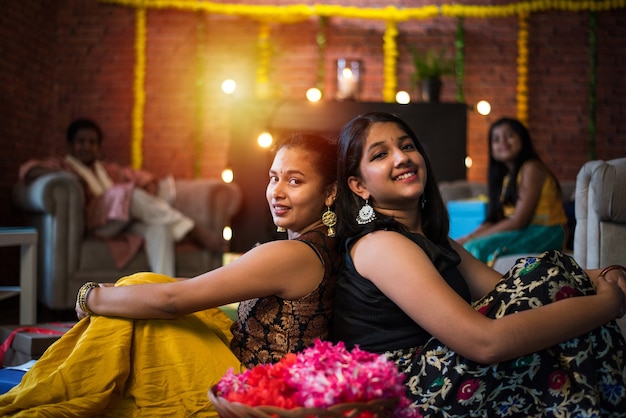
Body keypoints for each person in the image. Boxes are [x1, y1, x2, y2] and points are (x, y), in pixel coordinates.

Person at [1, 132, 341, 416]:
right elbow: (194, 286)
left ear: (330, 192)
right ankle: (73, 384)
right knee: (140, 290)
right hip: (249, 364)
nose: (277, 191)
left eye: (294, 181)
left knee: (138, 296)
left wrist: (91, 296)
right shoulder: (313, 247)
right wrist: (115, 295)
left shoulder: (292, 254)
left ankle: (64, 387)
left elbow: (172, 301)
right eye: (273, 177)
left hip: (250, 391)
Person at [332, 112, 626, 416]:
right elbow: (484, 343)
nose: (401, 158)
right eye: (381, 154)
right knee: (549, 299)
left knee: (540, 281)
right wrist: (606, 303)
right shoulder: (381, 245)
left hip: (444, 371)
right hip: (405, 391)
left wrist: (603, 273)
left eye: (407, 147)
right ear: (358, 186)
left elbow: (511, 288)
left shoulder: (433, 241)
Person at [18, 118, 225, 276]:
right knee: (129, 193)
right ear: (71, 145)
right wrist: (64, 176)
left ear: (98, 147)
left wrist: (149, 192)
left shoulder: (108, 171)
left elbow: (147, 178)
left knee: (158, 229)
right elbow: (28, 170)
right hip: (96, 225)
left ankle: (164, 292)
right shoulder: (64, 166)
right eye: (81, 141)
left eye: (92, 142)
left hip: (123, 225)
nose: (86, 146)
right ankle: (192, 229)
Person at [456, 117, 568, 264]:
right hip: (523, 230)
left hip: (547, 231)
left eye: (509, 135)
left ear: (523, 139)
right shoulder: (507, 178)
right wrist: (466, 237)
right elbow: (497, 219)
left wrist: (472, 239)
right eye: (496, 139)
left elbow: (519, 221)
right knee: (465, 246)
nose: (502, 142)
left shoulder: (531, 168)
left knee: (477, 247)